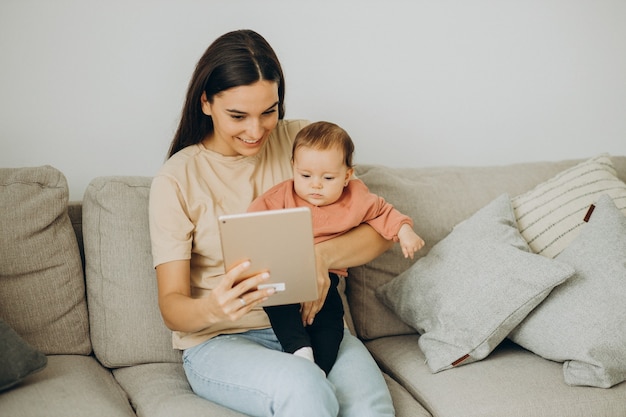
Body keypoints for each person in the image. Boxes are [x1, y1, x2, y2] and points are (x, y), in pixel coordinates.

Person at [148, 29, 396, 417]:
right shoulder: (177, 179)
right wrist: (214, 307)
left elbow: (381, 230)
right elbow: (172, 307)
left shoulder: (303, 142)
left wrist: (320, 255)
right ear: (205, 103)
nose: (256, 130)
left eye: (269, 111)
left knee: (371, 407)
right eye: (237, 116)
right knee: (304, 388)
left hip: (313, 325)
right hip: (222, 341)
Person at [249, 121, 425, 376]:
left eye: (328, 178)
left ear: (347, 176)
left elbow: (384, 213)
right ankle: (298, 348)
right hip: (286, 271)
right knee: (276, 303)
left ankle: (319, 367)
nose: (315, 185)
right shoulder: (279, 197)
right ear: (293, 169)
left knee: (330, 320)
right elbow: (250, 224)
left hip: (328, 277)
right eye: (305, 176)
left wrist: (405, 231)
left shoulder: (356, 197)